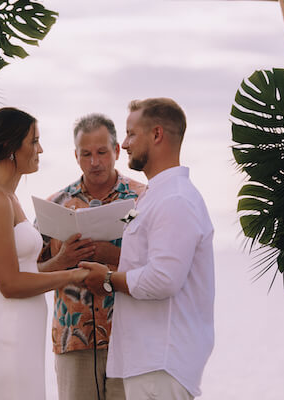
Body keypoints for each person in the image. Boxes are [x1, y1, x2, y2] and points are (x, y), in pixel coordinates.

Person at [81, 98, 215, 400]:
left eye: (131, 134)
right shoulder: (152, 195)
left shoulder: (176, 200)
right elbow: (138, 253)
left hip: (162, 363)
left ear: (157, 135)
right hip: (147, 361)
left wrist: (107, 279)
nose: (125, 144)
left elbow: (163, 279)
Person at [0, 107, 91, 400]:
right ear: (11, 147)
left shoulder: (9, 198)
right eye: (34, 141)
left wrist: (62, 261)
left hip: (22, 332)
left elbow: (22, 272)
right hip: (6, 333)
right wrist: (71, 275)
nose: (41, 149)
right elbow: (9, 285)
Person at [38, 113, 145, 400]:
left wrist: (114, 254)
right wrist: (63, 259)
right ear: (76, 156)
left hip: (131, 337)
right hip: (74, 341)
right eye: (86, 154)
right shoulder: (56, 204)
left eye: (101, 152)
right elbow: (32, 275)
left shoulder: (143, 198)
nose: (94, 162)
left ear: (116, 152)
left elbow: (159, 268)